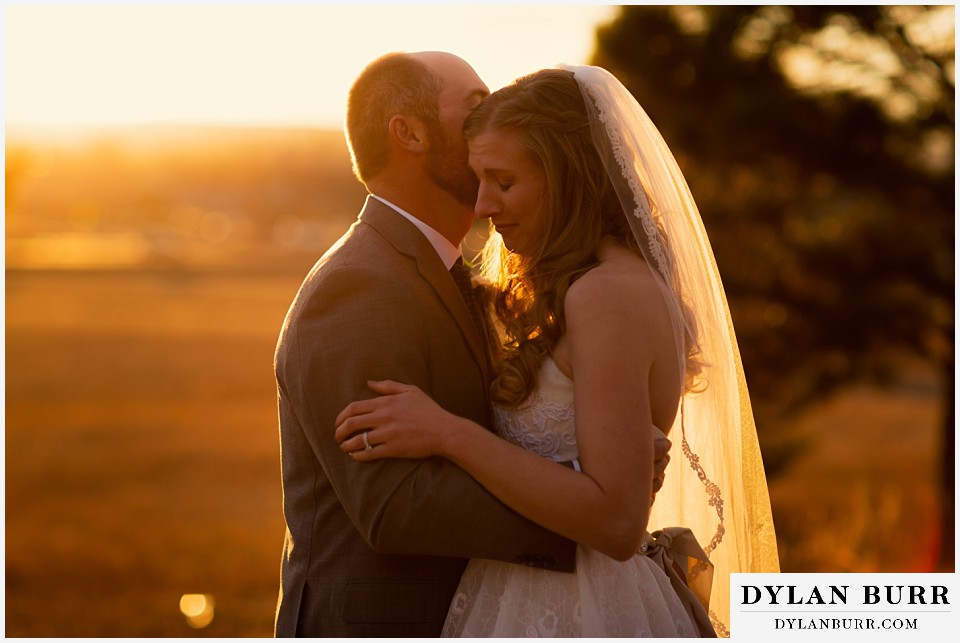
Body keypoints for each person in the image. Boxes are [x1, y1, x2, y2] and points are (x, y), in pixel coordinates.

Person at [335, 65, 781, 637]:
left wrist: (448, 433)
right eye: (479, 181)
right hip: (524, 591)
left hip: (582, 606)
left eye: (503, 181)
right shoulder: (577, 288)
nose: (484, 206)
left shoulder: (608, 295)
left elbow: (618, 523)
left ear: (568, 176)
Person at [273, 52, 584, 637]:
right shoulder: (360, 286)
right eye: (475, 108)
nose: (496, 123)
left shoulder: (443, 268)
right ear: (409, 133)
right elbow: (394, 505)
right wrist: (581, 508)